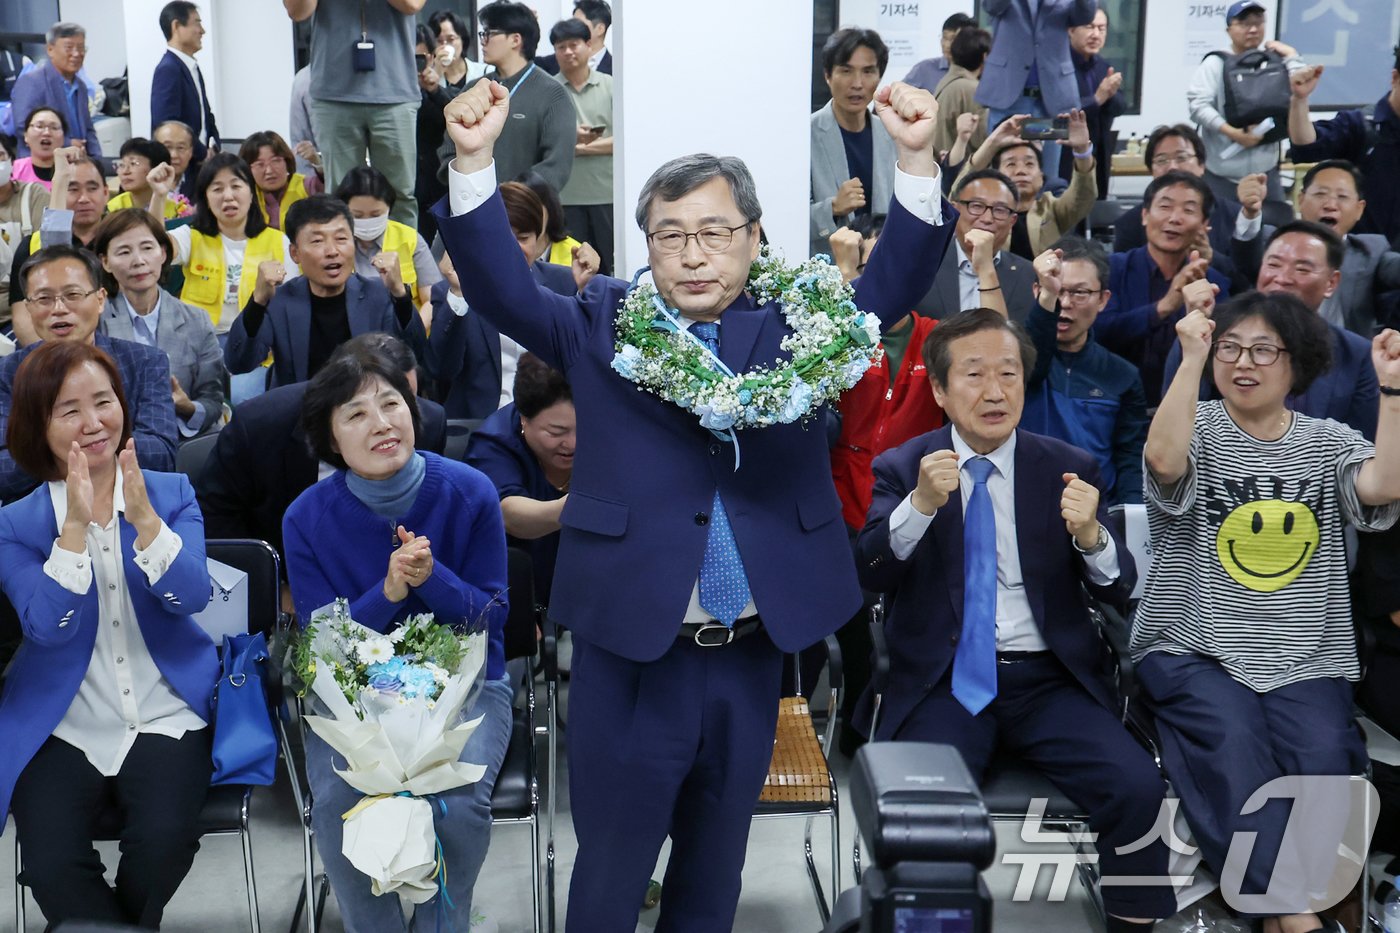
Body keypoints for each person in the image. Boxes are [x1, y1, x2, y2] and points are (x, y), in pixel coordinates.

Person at [433, 73, 955, 932]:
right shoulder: (601, 321)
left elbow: (893, 284)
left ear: (754, 237)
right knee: (610, 872)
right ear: (645, 244)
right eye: (669, 235)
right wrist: (475, 160)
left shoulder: (803, 322)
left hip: (752, 652)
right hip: (633, 651)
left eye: (715, 231)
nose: (693, 253)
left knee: (716, 871)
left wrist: (913, 159)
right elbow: (500, 288)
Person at [854, 308, 1174, 931]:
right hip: (942, 681)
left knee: (1137, 789)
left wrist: (1090, 536)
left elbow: (1121, 587)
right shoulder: (904, 465)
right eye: (973, 375)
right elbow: (868, 572)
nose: (995, 391)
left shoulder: (1066, 465)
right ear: (941, 392)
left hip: (1049, 680)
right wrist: (920, 506)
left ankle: (1133, 923)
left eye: (1009, 374)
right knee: (927, 814)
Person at [1136, 293, 1400, 930]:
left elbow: (1383, 488)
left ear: (1297, 364)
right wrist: (1191, 355)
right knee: (1233, 749)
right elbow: (1163, 462)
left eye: (1262, 350)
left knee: (1328, 761)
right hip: (1192, 647)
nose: (1242, 362)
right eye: (1230, 347)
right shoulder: (1191, 425)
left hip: (1305, 656)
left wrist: (1392, 393)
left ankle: (1294, 910)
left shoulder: (1329, 441)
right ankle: (1296, 913)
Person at [282, 337, 509, 932]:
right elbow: (323, 647)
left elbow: (492, 618)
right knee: (337, 803)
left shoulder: (470, 491)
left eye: (392, 404)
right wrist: (388, 594)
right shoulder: (306, 517)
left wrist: (432, 579)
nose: (381, 423)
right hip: (353, 697)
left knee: (457, 805)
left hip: (467, 688)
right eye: (356, 414)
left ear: (414, 410)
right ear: (330, 438)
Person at [0, 340, 216, 930]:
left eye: (104, 402)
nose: (94, 423)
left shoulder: (172, 495)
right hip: (62, 718)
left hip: (165, 709)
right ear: (36, 427)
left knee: (166, 838)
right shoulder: (15, 524)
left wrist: (144, 519)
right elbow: (44, 629)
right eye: (69, 411)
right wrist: (71, 532)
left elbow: (194, 598)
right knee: (47, 861)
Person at [197, 333, 442, 579]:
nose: (385, 422)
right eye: (359, 412)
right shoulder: (260, 426)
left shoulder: (428, 423)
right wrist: (270, 591)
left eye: (397, 401)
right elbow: (215, 519)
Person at [1163, 221, 1381, 441]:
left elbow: (1365, 445)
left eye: (1302, 269)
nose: (1282, 278)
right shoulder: (1217, 333)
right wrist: (1195, 331)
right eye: (1274, 264)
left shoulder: (1357, 354)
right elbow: (1179, 418)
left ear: (1331, 283)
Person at [1, 246, 177, 503]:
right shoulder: (7, 373)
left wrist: (60, 448)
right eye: (44, 299)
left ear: (100, 299)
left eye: (72, 294)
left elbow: (161, 453)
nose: (59, 308)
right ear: (28, 308)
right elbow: (4, 471)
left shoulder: (145, 362)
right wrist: (91, 446)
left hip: (129, 505)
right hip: (40, 513)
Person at [225, 195, 425, 388]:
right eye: (317, 241)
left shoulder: (378, 294)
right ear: (295, 253)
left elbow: (417, 354)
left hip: (366, 411)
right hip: (301, 413)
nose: (332, 251)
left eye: (341, 238)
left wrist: (400, 293)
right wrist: (258, 301)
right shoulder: (280, 300)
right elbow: (239, 362)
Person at [425, 182, 581, 420]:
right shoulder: (450, 289)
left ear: (539, 241)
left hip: (551, 424)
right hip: (481, 428)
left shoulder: (564, 282)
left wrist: (588, 287)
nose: (512, 248)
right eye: (503, 238)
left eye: (523, 237)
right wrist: (458, 293)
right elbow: (441, 369)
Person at [1025, 236, 1147, 505]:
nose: (1065, 302)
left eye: (1079, 292)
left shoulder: (1122, 374)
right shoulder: (1013, 364)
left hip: (1096, 512)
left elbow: (1130, 458)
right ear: (1038, 291)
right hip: (1024, 503)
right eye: (1057, 289)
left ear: (1103, 299)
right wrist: (1047, 301)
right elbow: (1030, 369)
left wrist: (1132, 516)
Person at [1095, 170, 1231, 407]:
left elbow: (1224, 355)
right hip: (1114, 405)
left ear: (1204, 225)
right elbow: (1098, 333)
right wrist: (1165, 306)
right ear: (1145, 215)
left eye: (1188, 210)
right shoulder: (1111, 269)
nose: (1175, 218)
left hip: (1189, 410)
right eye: (1165, 207)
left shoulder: (1214, 284)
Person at [286, 0, 423, 226]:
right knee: (339, 195)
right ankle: (344, 260)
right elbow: (298, 11)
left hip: (394, 91)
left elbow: (412, 4)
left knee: (400, 195)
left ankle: (404, 260)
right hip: (333, 92)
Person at [92, 209, 224, 439]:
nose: (139, 261)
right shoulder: (95, 320)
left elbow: (213, 399)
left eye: (147, 248)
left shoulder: (197, 320)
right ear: (105, 262)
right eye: (124, 251)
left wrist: (187, 406)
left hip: (183, 441)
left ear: (163, 254)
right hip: (117, 443)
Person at [1232, 160, 1400, 337]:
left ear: (1359, 209)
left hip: (1345, 356)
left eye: (1342, 197)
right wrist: (1250, 213)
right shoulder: (1275, 242)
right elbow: (1246, 255)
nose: (1330, 205)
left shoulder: (1371, 251)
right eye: (1320, 194)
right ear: (1301, 200)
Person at [147, 152, 297, 336]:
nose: (228, 196)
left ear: (251, 193)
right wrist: (159, 195)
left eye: (236, 186)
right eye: (217, 189)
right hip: (199, 341)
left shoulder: (278, 241)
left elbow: (292, 300)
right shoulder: (193, 236)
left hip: (255, 342)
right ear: (207, 200)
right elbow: (154, 248)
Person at [465, 352, 574, 606]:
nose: (573, 443)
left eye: (585, 428)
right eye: (556, 432)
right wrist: (576, 509)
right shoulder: (493, 443)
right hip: (522, 589)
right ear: (524, 418)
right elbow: (508, 513)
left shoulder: (609, 429)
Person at [444, 1, 576, 199]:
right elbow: (447, 150)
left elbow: (556, 165)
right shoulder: (474, 89)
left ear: (516, 40)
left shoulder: (553, 93)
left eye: (489, 33)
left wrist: (511, 196)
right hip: (472, 203)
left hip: (528, 212)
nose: (483, 40)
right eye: (483, 33)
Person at [1186, 0, 1306, 207]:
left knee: (1271, 232)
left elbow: (1302, 85)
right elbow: (1197, 106)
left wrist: (1292, 56)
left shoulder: (1274, 60)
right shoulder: (1215, 64)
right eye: (1243, 24)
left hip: (1266, 175)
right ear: (1228, 29)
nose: (1252, 29)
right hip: (1222, 177)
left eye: (1258, 23)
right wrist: (1233, 133)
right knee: (1219, 233)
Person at [1288, 47, 1400, 248]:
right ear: (1395, 78)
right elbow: (1306, 143)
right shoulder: (1360, 125)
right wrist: (1299, 100)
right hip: (1359, 258)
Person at [975, 0, 1096, 179]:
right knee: (1004, 169)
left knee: (1046, 174)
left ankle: (1043, 207)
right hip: (1010, 97)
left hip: (1050, 100)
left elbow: (1084, 15)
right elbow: (992, 6)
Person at [956, 110, 1098, 260]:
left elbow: (1083, 196)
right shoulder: (981, 213)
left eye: (1029, 164)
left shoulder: (1052, 209)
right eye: (1010, 164)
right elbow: (959, 191)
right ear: (996, 174)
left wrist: (1082, 152)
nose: (1021, 171)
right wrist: (992, 143)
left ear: (1042, 176)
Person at [1112, 123, 1246, 268]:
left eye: (1181, 158)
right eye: (1162, 160)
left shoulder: (1234, 216)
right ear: (1151, 170)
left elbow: (1245, 282)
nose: (1172, 167)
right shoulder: (1129, 224)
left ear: (1201, 165)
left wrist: (1211, 257)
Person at [810, 27, 894, 257]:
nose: (857, 83)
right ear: (828, 75)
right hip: (827, 274)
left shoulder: (891, 134)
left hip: (881, 265)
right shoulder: (806, 136)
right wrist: (833, 208)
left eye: (868, 72)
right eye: (846, 71)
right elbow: (787, 218)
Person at [7, 150, 108, 339]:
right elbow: (23, 318)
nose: (83, 198)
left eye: (92, 188)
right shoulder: (32, 245)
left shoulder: (119, 242)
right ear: (57, 194)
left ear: (106, 193)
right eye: (72, 188)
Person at [916, 168, 1034, 323]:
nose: (987, 218)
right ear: (955, 210)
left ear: (1012, 221)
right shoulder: (921, 265)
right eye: (977, 206)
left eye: (1000, 210)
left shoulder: (1029, 275)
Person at [551, 18, 615, 277]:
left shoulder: (611, 85)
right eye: (560, 46)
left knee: (611, 264)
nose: (568, 52)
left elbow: (623, 142)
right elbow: (544, 144)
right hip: (565, 197)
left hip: (607, 194)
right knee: (573, 270)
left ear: (589, 46)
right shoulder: (549, 89)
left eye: (574, 44)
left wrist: (572, 148)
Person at [334, 165, 442, 309]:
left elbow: (431, 300)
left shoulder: (409, 239)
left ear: (389, 208)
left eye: (375, 214)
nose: (367, 221)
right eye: (357, 215)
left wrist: (414, 330)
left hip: (407, 325)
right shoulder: (332, 244)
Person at [10, 23, 102, 159]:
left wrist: (97, 160)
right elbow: (22, 126)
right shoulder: (31, 81)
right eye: (69, 48)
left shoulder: (81, 86)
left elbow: (88, 129)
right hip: (41, 165)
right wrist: (67, 144)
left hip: (78, 162)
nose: (76, 54)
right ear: (50, 49)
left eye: (81, 48)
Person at [1064, 6, 1122, 199]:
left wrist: (1111, 94)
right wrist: (1097, 99)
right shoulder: (1059, 67)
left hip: (1100, 153)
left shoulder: (1104, 66)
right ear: (1071, 30)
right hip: (1066, 156)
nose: (1096, 34)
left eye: (1101, 28)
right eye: (1089, 27)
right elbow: (1060, 112)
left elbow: (1119, 107)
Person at [150, 2, 219, 161]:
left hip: (200, 163)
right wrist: (202, 153)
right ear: (176, 26)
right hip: (181, 166)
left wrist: (214, 148)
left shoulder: (191, 67)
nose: (202, 31)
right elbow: (167, 125)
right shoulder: (168, 69)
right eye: (197, 23)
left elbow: (206, 116)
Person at [0, 136, 50, 328]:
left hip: (26, 310)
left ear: (11, 161)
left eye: (0, 156)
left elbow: (49, 251)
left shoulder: (33, 195)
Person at [238, 131, 319, 232]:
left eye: (275, 161)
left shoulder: (306, 186)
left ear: (287, 162)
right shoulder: (245, 195)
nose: (269, 171)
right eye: (260, 164)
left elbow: (327, 184)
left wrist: (317, 161)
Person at [930, 26, 990, 157]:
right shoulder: (973, 89)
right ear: (985, 57)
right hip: (959, 170)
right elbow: (984, 141)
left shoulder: (946, 81)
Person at [108, 138, 183, 220]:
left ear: (158, 169)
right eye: (122, 165)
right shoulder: (112, 208)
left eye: (133, 163)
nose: (125, 171)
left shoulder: (178, 210)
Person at [904, 12, 977, 94]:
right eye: (944, 37)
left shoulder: (977, 71)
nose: (947, 45)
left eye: (953, 39)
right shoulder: (924, 69)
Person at [536, 0, 614, 76]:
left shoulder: (615, 69)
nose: (573, 27)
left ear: (600, 29)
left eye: (579, 23)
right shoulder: (547, 64)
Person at [12, 106, 66, 191]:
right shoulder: (13, 170)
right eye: (39, 126)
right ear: (26, 136)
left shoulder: (74, 170)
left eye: (54, 128)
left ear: (63, 138)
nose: (47, 133)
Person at [152, 120, 200, 203]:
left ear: (191, 152)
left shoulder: (202, 181)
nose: (174, 155)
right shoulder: (141, 181)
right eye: (167, 147)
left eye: (181, 148)